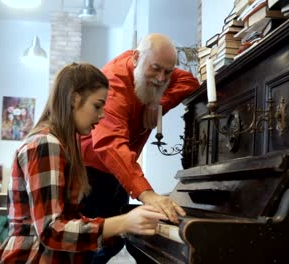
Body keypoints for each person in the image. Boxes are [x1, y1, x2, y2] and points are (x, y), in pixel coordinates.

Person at [0, 62, 168, 263]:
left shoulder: (61, 143)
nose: (101, 115)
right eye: (97, 105)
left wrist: (126, 225)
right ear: (75, 99)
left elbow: (67, 220)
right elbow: (51, 231)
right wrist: (123, 223)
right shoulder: (45, 144)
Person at [80, 33, 200, 262]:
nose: (161, 77)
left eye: (168, 71)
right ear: (136, 58)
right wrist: (147, 194)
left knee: (114, 241)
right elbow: (109, 144)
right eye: (155, 69)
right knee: (92, 246)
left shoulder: (159, 69)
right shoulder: (112, 86)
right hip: (90, 172)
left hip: (119, 170)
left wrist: (159, 104)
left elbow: (190, 82)